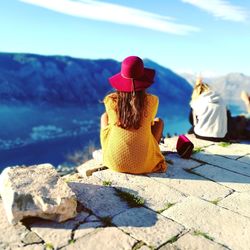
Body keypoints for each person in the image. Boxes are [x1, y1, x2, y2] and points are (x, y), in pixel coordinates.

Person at [100, 56, 167, 174]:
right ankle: (146, 154)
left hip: (115, 163)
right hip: (143, 165)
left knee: (104, 116)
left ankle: (113, 150)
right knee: (158, 122)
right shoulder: (152, 101)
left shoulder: (110, 100)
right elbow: (149, 123)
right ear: (143, 80)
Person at [189, 77, 228, 141]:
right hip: (221, 136)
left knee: (191, 130)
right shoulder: (221, 100)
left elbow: (192, 121)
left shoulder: (197, 102)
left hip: (202, 135)